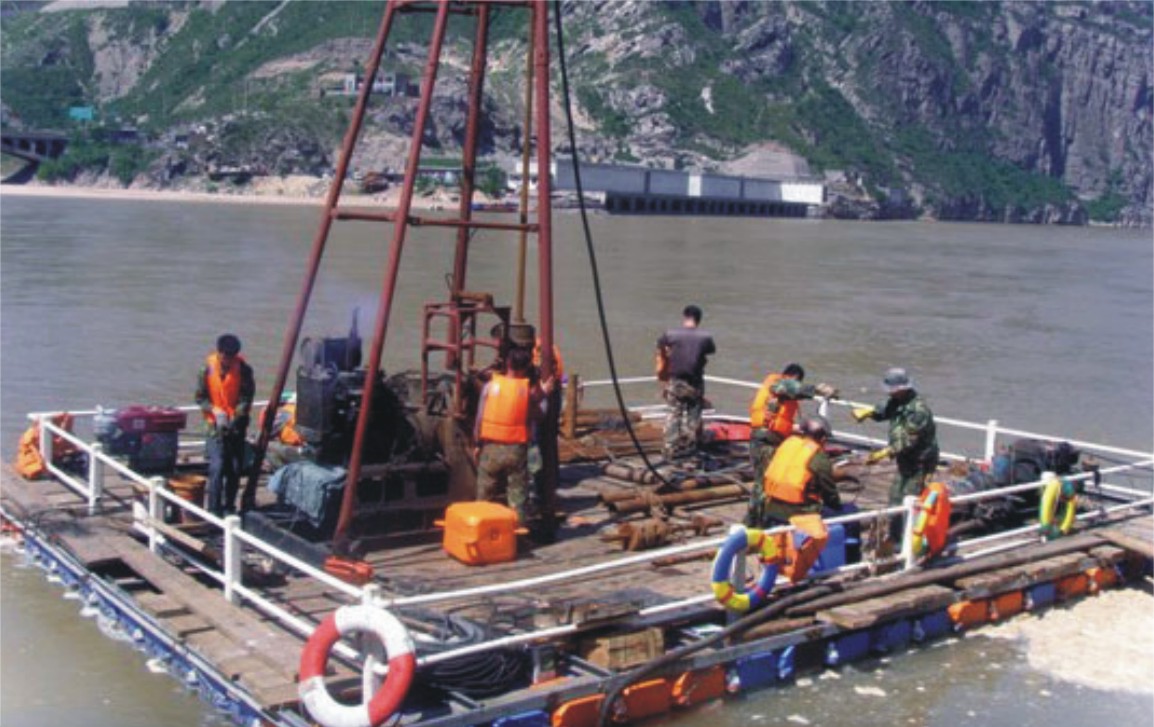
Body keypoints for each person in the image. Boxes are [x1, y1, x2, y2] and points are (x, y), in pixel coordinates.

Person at [852, 367, 940, 540]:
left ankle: (910, 541)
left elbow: (908, 442)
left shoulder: (918, 411)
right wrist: (869, 412)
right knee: (895, 498)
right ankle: (895, 538)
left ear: (902, 389)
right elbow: (885, 410)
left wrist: (884, 453)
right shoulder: (898, 401)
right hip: (904, 461)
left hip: (920, 463)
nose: (889, 393)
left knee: (911, 499)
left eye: (892, 390)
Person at [747, 363, 837, 524]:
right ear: (792, 377)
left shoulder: (782, 393)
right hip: (765, 442)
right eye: (798, 381)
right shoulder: (776, 383)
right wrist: (817, 390)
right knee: (764, 484)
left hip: (769, 440)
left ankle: (760, 520)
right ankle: (755, 523)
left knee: (767, 481)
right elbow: (790, 387)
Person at [757, 415, 842, 583]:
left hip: (770, 507)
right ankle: (838, 567)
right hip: (799, 512)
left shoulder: (787, 444)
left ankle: (770, 573)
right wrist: (837, 506)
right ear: (822, 438)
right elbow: (830, 493)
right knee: (845, 516)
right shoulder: (818, 457)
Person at [474, 347, 554, 524]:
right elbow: (539, 414)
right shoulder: (526, 392)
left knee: (484, 494)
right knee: (517, 498)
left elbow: (479, 418)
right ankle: (517, 531)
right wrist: (544, 394)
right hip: (516, 450)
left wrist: (478, 444)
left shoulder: (490, 387)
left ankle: (480, 528)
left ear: (508, 363)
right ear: (526, 367)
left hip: (490, 448)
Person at [195, 334, 255, 516]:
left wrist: (235, 417)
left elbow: (246, 398)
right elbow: (200, 398)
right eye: (225, 356)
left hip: (236, 427)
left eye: (232, 357)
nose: (228, 360)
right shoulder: (206, 370)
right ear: (219, 353)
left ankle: (229, 507)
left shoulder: (244, 370)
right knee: (218, 466)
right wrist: (214, 410)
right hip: (214, 426)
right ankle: (214, 510)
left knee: (234, 468)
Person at [655, 305, 716, 464]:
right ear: (699, 319)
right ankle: (689, 451)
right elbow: (709, 351)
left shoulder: (670, 334)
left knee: (673, 414)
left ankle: (669, 449)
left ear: (684, 317)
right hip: (695, 383)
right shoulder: (705, 337)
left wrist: (664, 365)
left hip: (675, 381)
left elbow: (660, 347)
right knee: (693, 417)